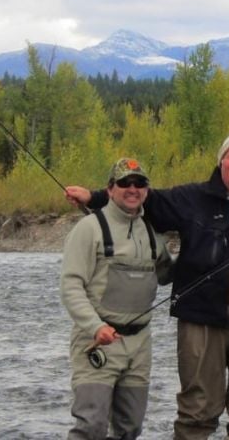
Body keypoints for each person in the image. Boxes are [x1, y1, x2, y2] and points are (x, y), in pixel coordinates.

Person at [65, 132, 229, 440]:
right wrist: (94, 197)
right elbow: (140, 196)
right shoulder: (192, 198)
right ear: (221, 162)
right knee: (196, 414)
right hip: (198, 323)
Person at [60, 157, 173, 440]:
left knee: (130, 429)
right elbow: (71, 285)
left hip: (140, 345)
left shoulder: (153, 234)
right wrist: (95, 326)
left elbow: (169, 275)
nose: (132, 189)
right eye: (124, 183)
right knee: (91, 426)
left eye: (140, 183)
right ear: (110, 189)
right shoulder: (88, 229)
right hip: (97, 341)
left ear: (147, 190)